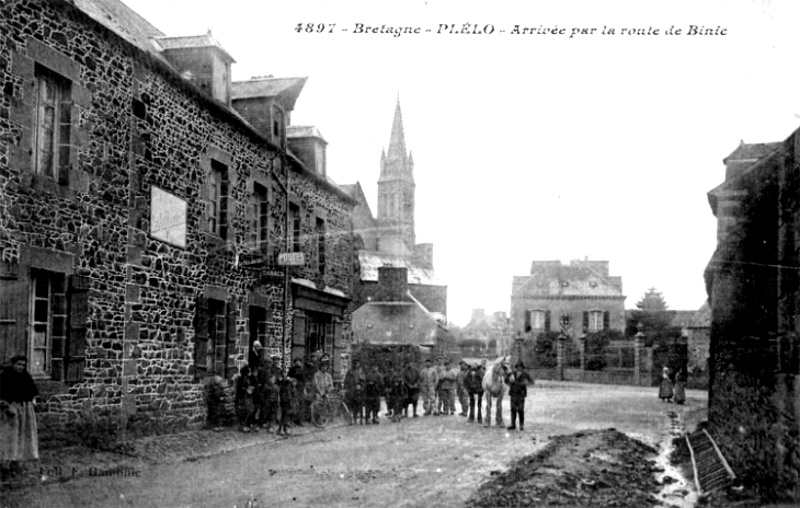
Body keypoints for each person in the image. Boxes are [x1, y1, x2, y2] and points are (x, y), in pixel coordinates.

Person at [0, 356, 39, 479]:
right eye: (18, 364)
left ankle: (16, 463)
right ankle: (5, 466)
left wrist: (32, 400)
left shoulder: (26, 376)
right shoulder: (5, 376)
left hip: (26, 410)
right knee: (10, 437)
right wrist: (6, 405)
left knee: (23, 436)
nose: (21, 367)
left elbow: (33, 391)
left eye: (23, 365)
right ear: (12, 364)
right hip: (11, 411)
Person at [505, 362, 533, 431]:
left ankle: (521, 425)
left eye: (520, 367)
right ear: (516, 367)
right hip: (513, 393)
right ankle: (513, 424)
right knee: (513, 409)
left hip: (521, 394)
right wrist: (509, 382)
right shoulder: (512, 374)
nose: (519, 368)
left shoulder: (525, 375)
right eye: (518, 367)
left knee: (520, 409)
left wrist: (526, 383)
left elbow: (531, 382)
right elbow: (506, 381)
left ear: (522, 368)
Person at [344, 360, 366, 424]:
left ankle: (361, 419)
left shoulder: (361, 371)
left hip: (359, 389)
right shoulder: (350, 371)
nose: (356, 365)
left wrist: (361, 387)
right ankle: (354, 418)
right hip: (352, 389)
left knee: (360, 405)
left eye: (357, 363)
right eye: (355, 364)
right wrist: (347, 388)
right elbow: (346, 381)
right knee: (353, 405)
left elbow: (364, 380)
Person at [235, 365, 256, 432]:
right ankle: (242, 426)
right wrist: (246, 389)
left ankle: (247, 425)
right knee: (244, 411)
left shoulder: (247, 378)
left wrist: (251, 388)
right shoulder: (241, 378)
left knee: (249, 410)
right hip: (243, 396)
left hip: (247, 396)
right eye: (249, 371)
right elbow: (240, 388)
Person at [277, 371, 295, 436]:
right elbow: (282, 394)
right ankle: (280, 429)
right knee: (284, 415)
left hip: (288, 400)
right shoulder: (282, 385)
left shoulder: (288, 385)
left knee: (286, 415)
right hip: (284, 401)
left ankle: (284, 429)